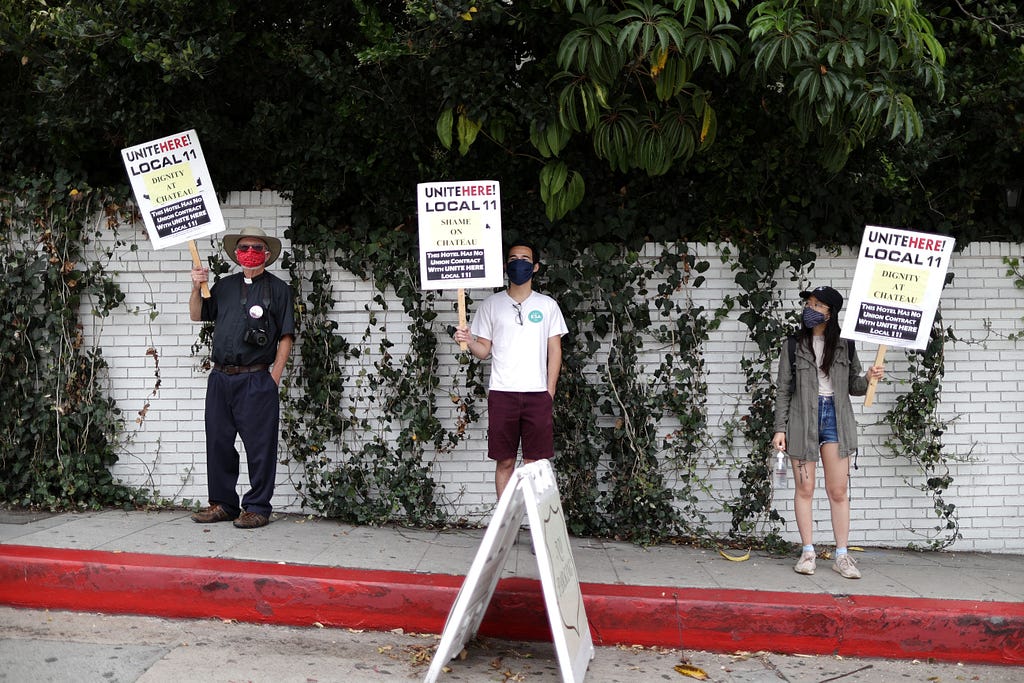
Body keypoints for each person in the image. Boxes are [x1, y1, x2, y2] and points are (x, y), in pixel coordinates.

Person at [772, 285, 884, 579]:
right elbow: (783, 389)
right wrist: (779, 429)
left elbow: (854, 387)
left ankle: (842, 556)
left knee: (838, 491)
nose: (810, 308)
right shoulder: (793, 344)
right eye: (808, 303)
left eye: (817, 305)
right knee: (804, 489)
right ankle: (808, 551)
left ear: (830, 312)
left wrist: (869, 378)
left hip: (836, 419)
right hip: (801, 420)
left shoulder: (845, 344)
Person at [188, 227, 296, 529]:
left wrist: (274, 377)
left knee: (260, 446)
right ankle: (223, 504)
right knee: (219, 442)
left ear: (267, 254)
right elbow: (197, 315)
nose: (250, 252)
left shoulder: (278, 289)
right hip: (221, 378)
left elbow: (286, 336)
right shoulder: (223, 286)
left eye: (257, 247)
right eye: (245, 247)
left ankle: (258, 507)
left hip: (256, 379)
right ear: (236, 253)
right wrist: (197, 287)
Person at [453, 241, 568, 499]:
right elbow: (483, 350)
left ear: (536, 267)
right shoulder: (491, 305)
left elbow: (555, 351)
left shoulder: (547, 306)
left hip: (537, 394)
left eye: (525, 259)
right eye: (514, 258)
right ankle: (505, 525)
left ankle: (536, 525)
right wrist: (468, 339)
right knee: (504, 461)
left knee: (534, 465)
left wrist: (549, 391)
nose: (519, 263)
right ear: (506, 266)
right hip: (502, 393)